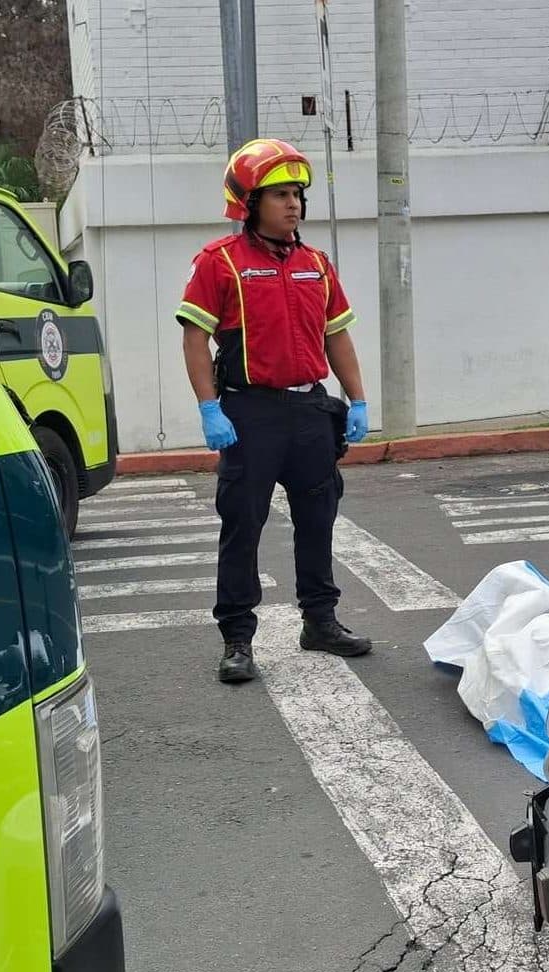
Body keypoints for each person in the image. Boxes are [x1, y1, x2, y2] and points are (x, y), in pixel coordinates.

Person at [175, 138, 373, 685]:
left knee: (318, 517)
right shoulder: (219, 262)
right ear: (249, 202)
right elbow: (194, 339)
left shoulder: (316, 264)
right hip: (250, 413)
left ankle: (320, 622)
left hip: (309, 410)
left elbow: (337, 336)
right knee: (243, 524)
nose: (293, 204)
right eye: (280, 194)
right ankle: (237, 639)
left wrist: (357, 398)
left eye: (297, 195)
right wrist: (209, 408)